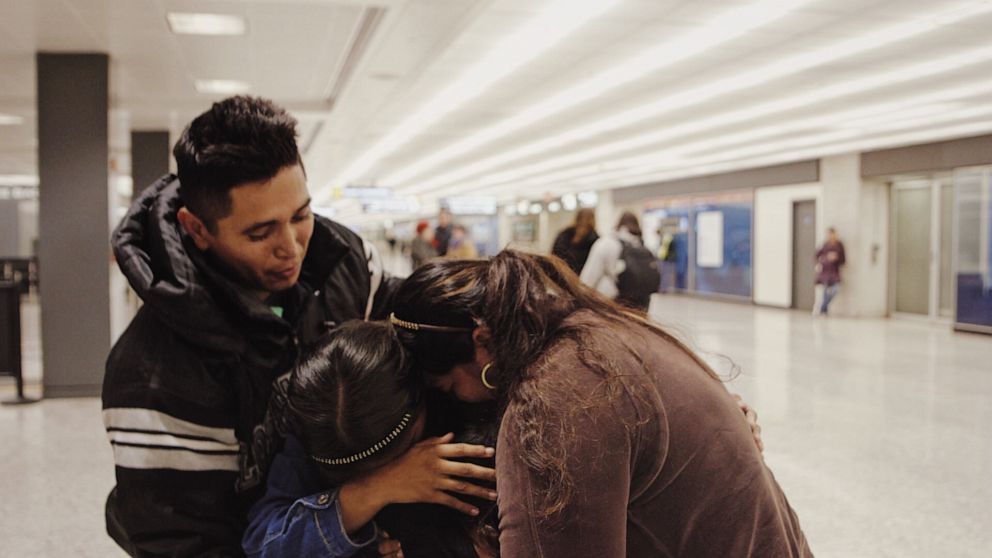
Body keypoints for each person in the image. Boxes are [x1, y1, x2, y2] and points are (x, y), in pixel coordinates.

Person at [102, 96, 400, 556]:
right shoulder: (153, 374)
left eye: (301, 216)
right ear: (197, 229)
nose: (292, 248)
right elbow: (183, 545)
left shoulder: (349, 264)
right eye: (260, 233)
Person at [390, 251, 811, 557]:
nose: (454, 402)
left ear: (481, 343)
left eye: (446, 387)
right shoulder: (594, 334)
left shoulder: (556, 400)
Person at [242, 320, 498, 558]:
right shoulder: (318, 421)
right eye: (358, 472)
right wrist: (373, 489)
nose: (400, 470)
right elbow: (263, 544)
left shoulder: (450, 383)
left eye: (398, 455)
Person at [580, 211, 659, 310]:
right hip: (641, 302)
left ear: (618, 224)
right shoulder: (642, 245)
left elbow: (590, 275)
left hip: (612, 301)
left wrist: (580, 297)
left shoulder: (606, 243)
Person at [550, 208, 599, 274]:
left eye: (587, 219)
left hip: (574, 275)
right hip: (565, 274)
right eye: (582, 219)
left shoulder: (594, 239)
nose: (584, 222)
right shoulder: (565, 234)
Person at [814, 227, 846, 315]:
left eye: (831, 234)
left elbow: (843, 259)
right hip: (825, 271)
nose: (830, 236)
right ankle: (824, 310)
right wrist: (826, 258)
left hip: (834, 271)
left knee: (836, 288)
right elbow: (817, 255)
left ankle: (823, 307)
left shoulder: (839, 245)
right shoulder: (825, 244)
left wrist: (836, 258)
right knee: (825, 290)